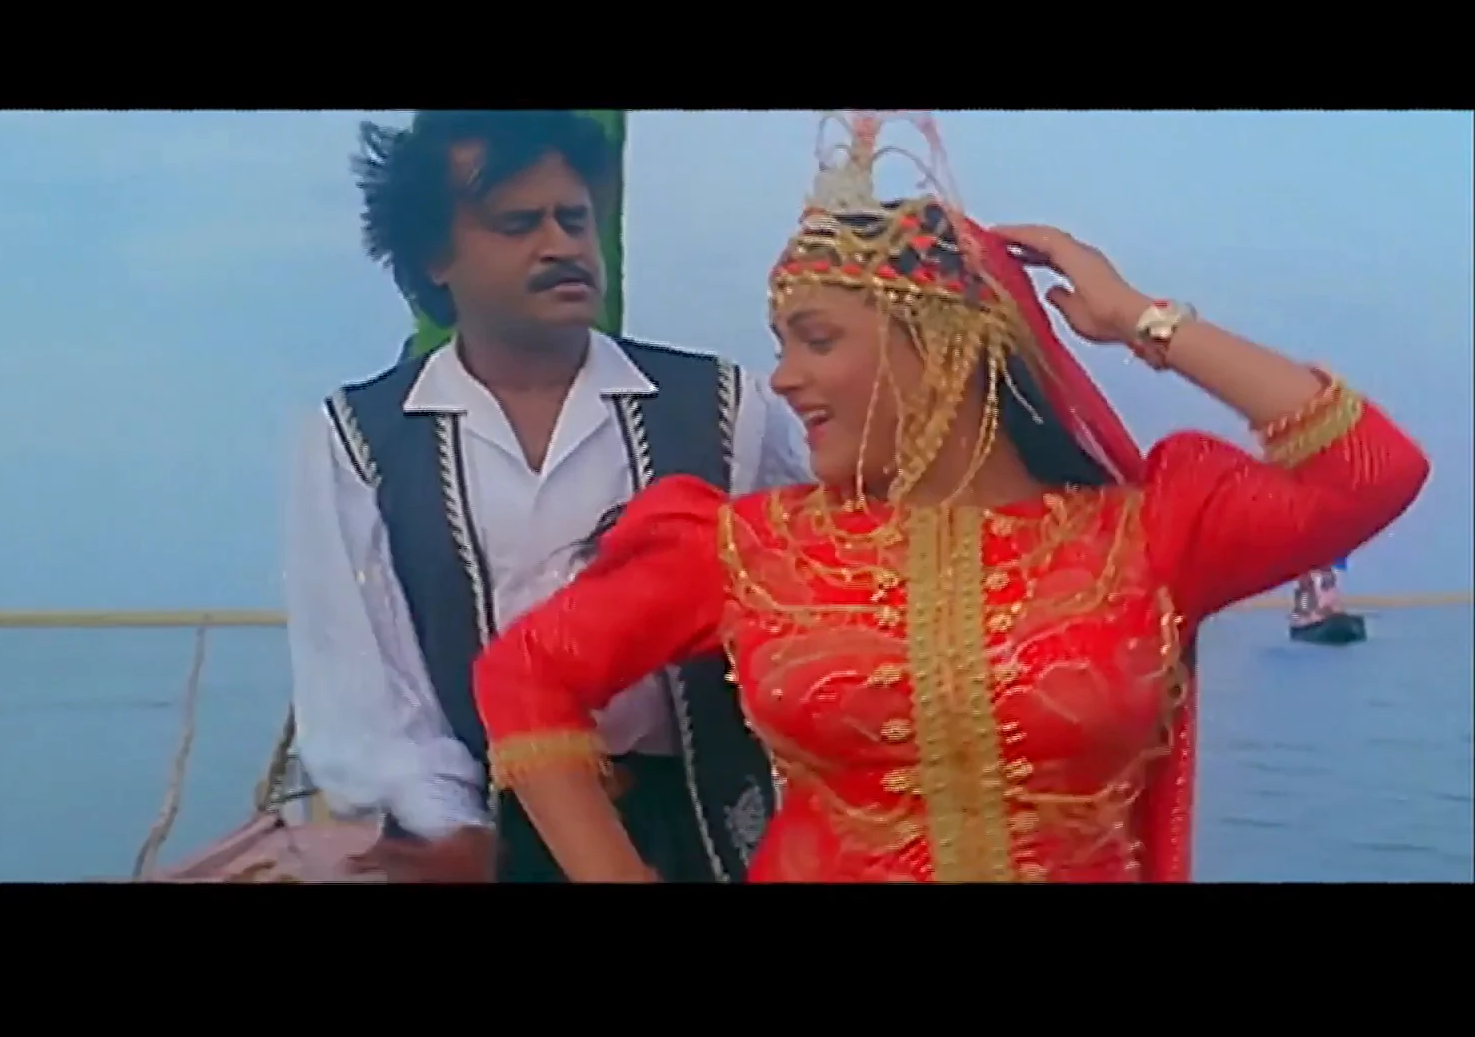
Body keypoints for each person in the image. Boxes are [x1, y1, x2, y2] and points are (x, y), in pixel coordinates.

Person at [470, 111, 1430, 883]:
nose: (786, 379)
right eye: (782, 346)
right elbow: (525, 674)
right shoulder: (752, 551)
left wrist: (1140, 319)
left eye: (817, 340)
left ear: (942, 345)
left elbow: (1373, 471)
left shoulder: (1143, 537)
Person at [287, 110, 813, 883]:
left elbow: (806, 612)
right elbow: (362, 680)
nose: (561, 245)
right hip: (479, 841)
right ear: (435, 257)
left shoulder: (728, 408)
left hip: (699, 831)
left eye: (573, 219)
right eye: (518, 224)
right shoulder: (357, 438)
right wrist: (449, 824)